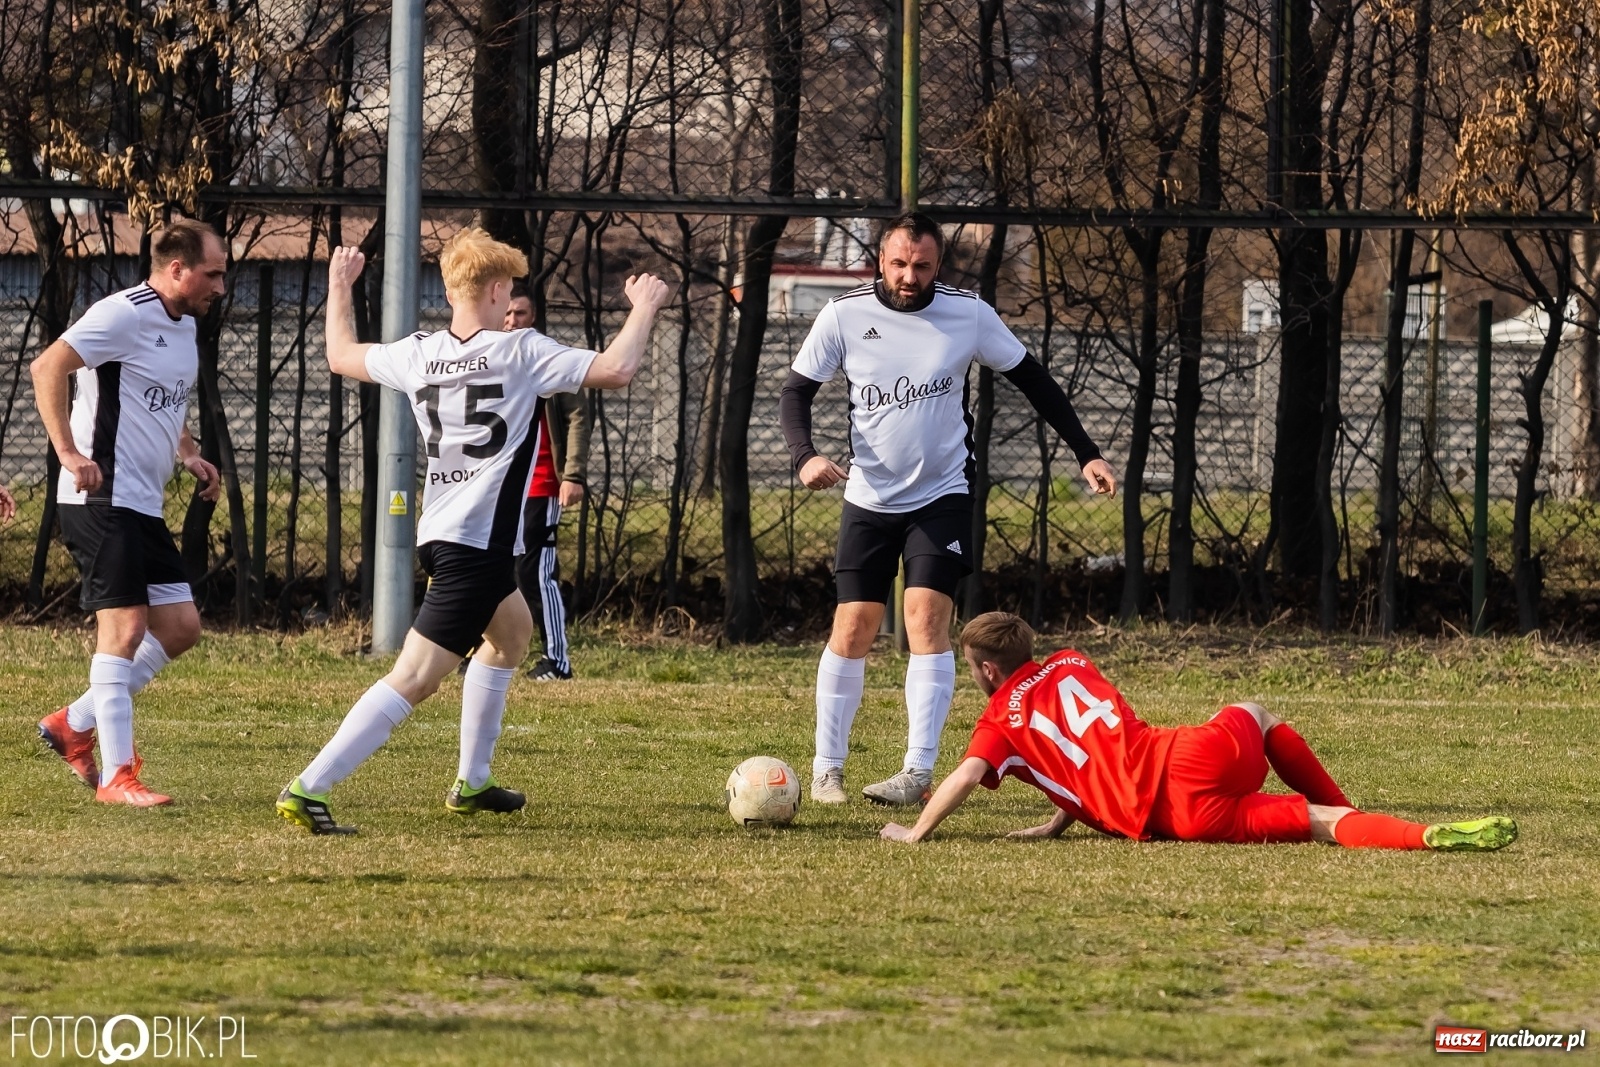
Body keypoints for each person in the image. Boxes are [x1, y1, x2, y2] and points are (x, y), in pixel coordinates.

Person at [275, 229, 670, 835]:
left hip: (444, 533)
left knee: (511, 635)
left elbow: (339, 355)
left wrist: (338, 287)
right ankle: (309, 787)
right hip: (477, 543)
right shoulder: (520, 350)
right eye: (509, 287)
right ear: (494, 290)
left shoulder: (418, 352)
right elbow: (617, 369)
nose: (511, 296)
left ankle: (474, 781)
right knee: (414, 677)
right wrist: (643, 308)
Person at [782, 212, 1119, 807]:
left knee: (925, 622)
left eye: (922, 265)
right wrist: (805, 456)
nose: (909, 276)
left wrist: (1087, 453)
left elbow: (1034, 379)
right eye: (899, 263)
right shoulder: (845, 315)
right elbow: (796, 392)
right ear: (880, 260)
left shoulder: (969, 314)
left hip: (942, 494)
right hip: (869, 496)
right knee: (853, 626)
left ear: (939, 265)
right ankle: (826, 768)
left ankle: (916, 771)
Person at [879, 612, 1518, 852]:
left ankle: (1412, 836)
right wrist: (1057, 817)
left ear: (988, 671)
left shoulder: (999, 721)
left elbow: (971, 773)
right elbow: (1090, 741)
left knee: (1311, 825)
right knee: (1256, 712)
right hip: (1195, 755)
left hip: (1176, 819)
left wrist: (915, 832)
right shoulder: (1074, 659)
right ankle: (1398, 825)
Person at [30, 218, 227, 806]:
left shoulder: (183, 326)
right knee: (125, 631)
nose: (220, 285)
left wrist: (188, 453)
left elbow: (162, 402)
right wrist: (68, 452)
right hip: (99, 496)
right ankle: (117, 776)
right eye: (212, 272)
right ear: (177, 269)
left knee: (180, 628)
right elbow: (47, 368)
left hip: (140, 503)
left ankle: (71, 724)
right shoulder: (122, 313)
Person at [505, 284, 590, 681]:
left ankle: (558, 661)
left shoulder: (547, 358)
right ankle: (489, 650)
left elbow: (576, 417)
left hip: (541, 484)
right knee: (494, 569)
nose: (511, 320)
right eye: (506, 313)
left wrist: (571, 475)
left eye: (519, 313)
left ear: (532, 316)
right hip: (500, 487)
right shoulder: (488, 357)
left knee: (537, 572)